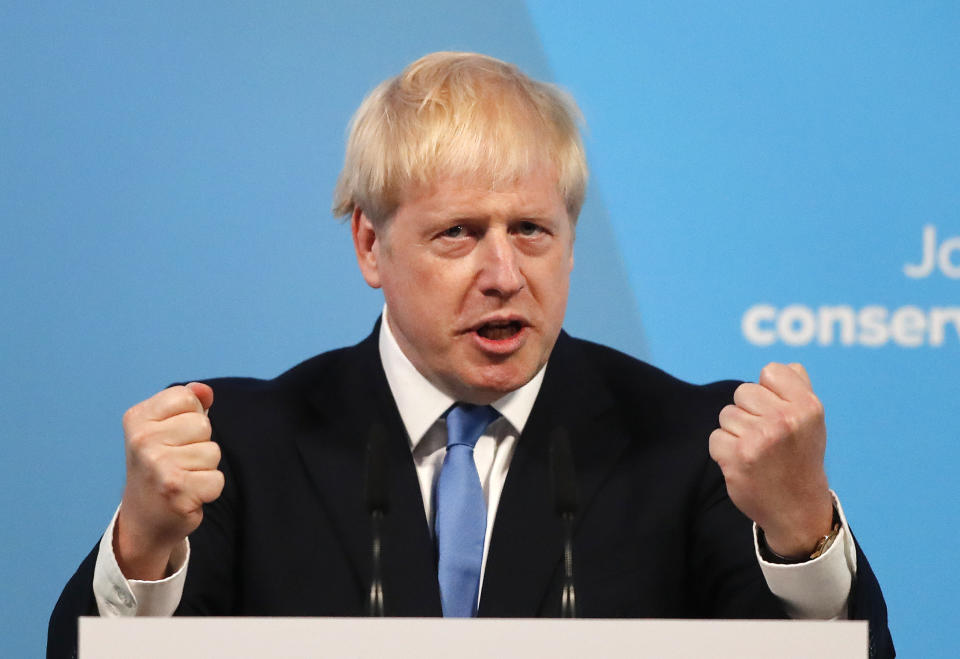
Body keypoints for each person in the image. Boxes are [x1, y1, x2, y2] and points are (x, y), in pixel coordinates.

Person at [48, 51, 894, 657]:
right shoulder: (234, 442)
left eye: (531, 230)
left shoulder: (697, 444)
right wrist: (143, 550)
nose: (503, 274)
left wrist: (799, 537)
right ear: (370, 247)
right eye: (458, 233)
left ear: (569, 243)